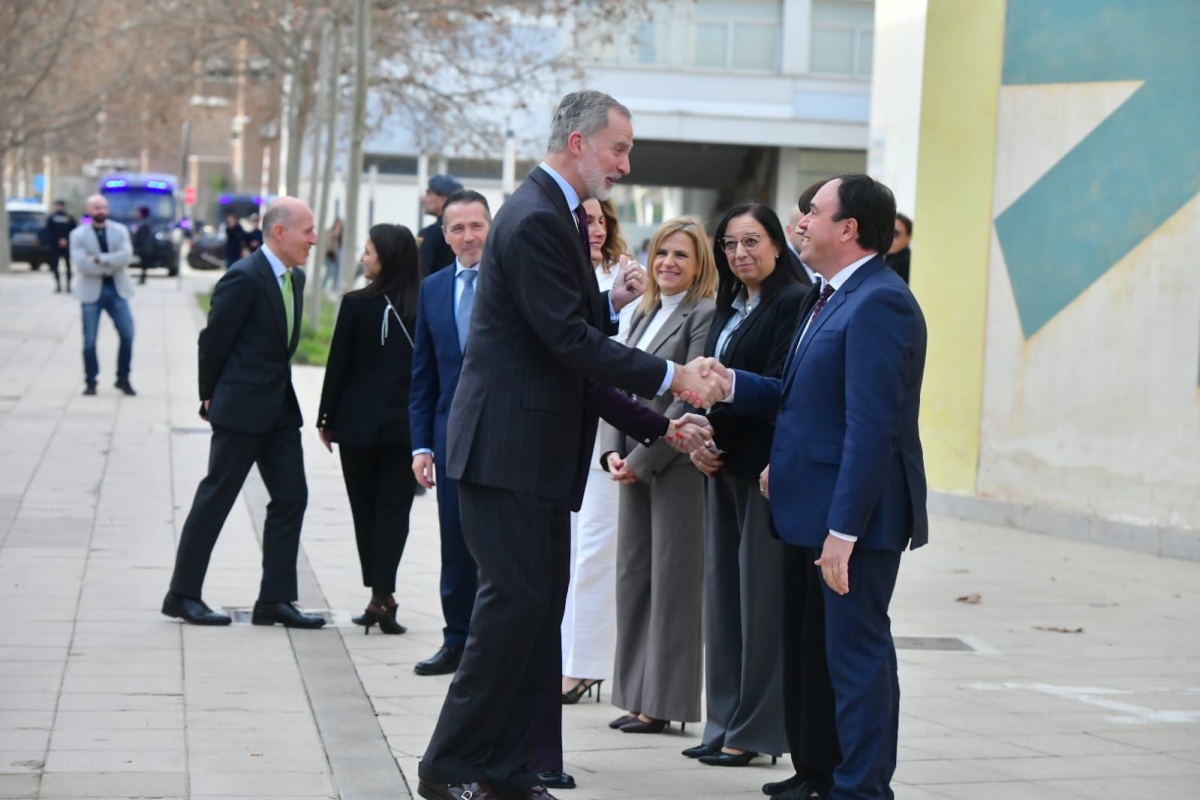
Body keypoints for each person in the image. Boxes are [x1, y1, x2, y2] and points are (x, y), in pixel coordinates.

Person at [416, 90, 728, 800]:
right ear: (579, 142)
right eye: (619, 149)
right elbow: (570, 341)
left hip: (533, 458)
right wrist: (675, 376)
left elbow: (570, 361)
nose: (625, 165)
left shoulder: (555, 214)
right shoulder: (535, 217)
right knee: (509, 617)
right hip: (506, 455)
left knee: (532, 619)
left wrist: (662, 424)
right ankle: (448, 769)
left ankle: (507, 769)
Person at [695, 175, 928, 800]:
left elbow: (871, 427)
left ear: (848, 229)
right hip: (808, 507)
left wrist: (844, 530)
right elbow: (802, 397)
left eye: (813, 213)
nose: (800, 222)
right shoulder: (827, 296)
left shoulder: (880, 302)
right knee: (814, 654)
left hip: (851, 519)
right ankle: (819, 776)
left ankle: (862, 788)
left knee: (855, 658)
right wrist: (732, 383)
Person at [683, 202, 811, 769]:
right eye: (730, 244)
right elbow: (713, 393)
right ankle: (722, 722)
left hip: (764, 473)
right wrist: (702, 438)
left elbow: (785, 389)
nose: (740, 253)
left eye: (752, 241)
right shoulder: (730, 306)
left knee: (759, 607)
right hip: (722, 465)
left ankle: (755, 731)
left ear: (778, 244)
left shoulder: (793, 302)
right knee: (724, 604)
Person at [162, 197, 325, 630]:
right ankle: (182, 595)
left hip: (280, 411)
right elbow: (213, 341)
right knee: (217, 497)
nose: (314, 239)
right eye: (307, 230)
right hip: (241, 409)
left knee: (291, 497)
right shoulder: (244, 277)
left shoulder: (295, 277)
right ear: (279, 232)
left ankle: (275, 600)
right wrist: (209, 395)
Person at [603, 216, 717, 735]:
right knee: (634, 579)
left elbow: (689, 395)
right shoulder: (645, 310)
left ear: (699, 265)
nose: (668, 263)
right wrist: (612, 451)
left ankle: (664, 702)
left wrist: (643, 459)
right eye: (662, 253)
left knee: (673, 586)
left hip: (673, 465)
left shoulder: (703, 313)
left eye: (681, 255)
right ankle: (635, 695)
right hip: (632, 458)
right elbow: (614, 382)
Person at [317, 223, 423, 635]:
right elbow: (338, 363)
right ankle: (382, 594)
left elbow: (337, 367)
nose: (363, 258)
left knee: (369, 510)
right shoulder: (419, 304)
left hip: (365, 427)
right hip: (398, 428)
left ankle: (382, 595)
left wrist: (326, 419)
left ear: (388, 258)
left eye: (368, 252)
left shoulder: (364, 304)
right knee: (391, 513)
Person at [410, 189, 493, 675]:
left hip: (501, 436)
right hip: (448, 440)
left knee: (495, 549)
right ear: (444, 235)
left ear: (491, 228)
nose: (468, 236)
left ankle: (490, 648)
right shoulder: (433, 288)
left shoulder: (509, 283)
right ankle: (456, 641)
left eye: (476, 226)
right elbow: (423, 373)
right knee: (455, 545)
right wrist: (421, 444)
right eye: (458, 228)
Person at [560, 197, 628, 705]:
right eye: (586, 220)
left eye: (601, 219)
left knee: (593, 558)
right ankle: (565, 658)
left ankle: (583, 666)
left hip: (608, 440)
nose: (596, 228)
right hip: (564, 438)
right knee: (564, 559)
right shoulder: (562, 274)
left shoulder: (625, 278)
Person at [70, 195, 136, 397]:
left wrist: (98, 258)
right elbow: (82, 264)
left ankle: (123, 378)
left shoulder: (120, 230)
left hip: (117, 289)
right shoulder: (78, 234)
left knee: (128, 334)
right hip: (91, 292)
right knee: (89, 340)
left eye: (104, 207)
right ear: (89, 210)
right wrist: (112, 261)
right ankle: (91, 381)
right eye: (96, 207)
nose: (101, 210)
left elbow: (126, 257)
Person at [418, 174, 464, 274]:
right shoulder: (469, 232)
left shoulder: (429, 234)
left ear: (443, 199)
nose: (423, 199)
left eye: (428, 193)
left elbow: (420, 272)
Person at [45, 200, 76, 293]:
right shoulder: (52, 218)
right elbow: (49, 231)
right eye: (57, 205)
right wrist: (58, 240)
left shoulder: (69, 218)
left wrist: (66, 240)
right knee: (55, 266)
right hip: (55, 246)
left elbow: (74, 231)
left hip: (67, 245)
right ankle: (58, 286)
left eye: (59, 205)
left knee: (68, 266)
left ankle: (68, 286)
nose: (58, 207)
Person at [886, 212, 912, 284]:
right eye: (887, 232)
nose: (889, 238)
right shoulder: (889, 259)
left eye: (895, 233)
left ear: (909, 237)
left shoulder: (905, 263)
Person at [132, 206, 155, 285]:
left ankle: (143, 278)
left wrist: (134, 239)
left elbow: (141, 237)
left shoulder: (144, 224)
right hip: (145, 247)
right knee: (143, 264)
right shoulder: (144, 222)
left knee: (144, 264)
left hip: (144, 248)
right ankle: (142, 278)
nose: (136, 214)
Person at [323, 217, 344, 294]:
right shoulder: (330, 233)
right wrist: (334, 235)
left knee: (336, 274)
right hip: (330, 256)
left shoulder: (341, 236)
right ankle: (323, 289)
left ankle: (335, 290)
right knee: (328, 273)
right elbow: (327, 245)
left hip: (337, 258)